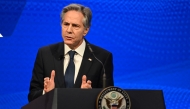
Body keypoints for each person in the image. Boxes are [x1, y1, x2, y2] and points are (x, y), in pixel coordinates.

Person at [28, 3, 114, 102]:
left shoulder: (101, 58)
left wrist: (91, 96)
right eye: (66, 24)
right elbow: (32, 96)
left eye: (75, 26)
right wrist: (46, 93)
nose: (69, 30)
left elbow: (108, 100)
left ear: (85, 30)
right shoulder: (45, 54)